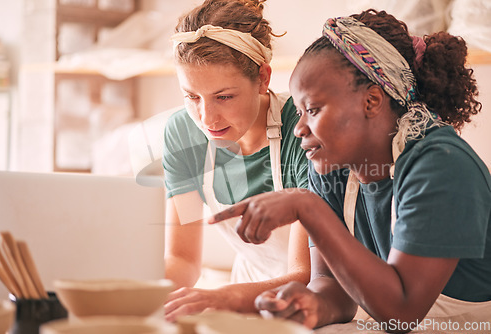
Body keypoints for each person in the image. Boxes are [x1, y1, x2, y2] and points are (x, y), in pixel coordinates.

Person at [210, 9, 491, 332]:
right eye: (299, 112)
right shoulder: (332, 167)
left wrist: (308, 208)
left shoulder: (441, 164)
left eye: (312, 110)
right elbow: (332, 287)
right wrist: (310, 305)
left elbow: (402, 312)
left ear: (371, 101)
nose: (299, 128)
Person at [162, 0, 310, 322]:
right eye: (191, 97)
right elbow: (183, 258)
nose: (206, 118)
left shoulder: (303, 130)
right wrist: (149, 297)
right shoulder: (183, 135)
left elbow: (303, 275)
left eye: (224, 97)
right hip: (244, 289)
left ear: (263, 78)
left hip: (310, 300)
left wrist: (221, 298)